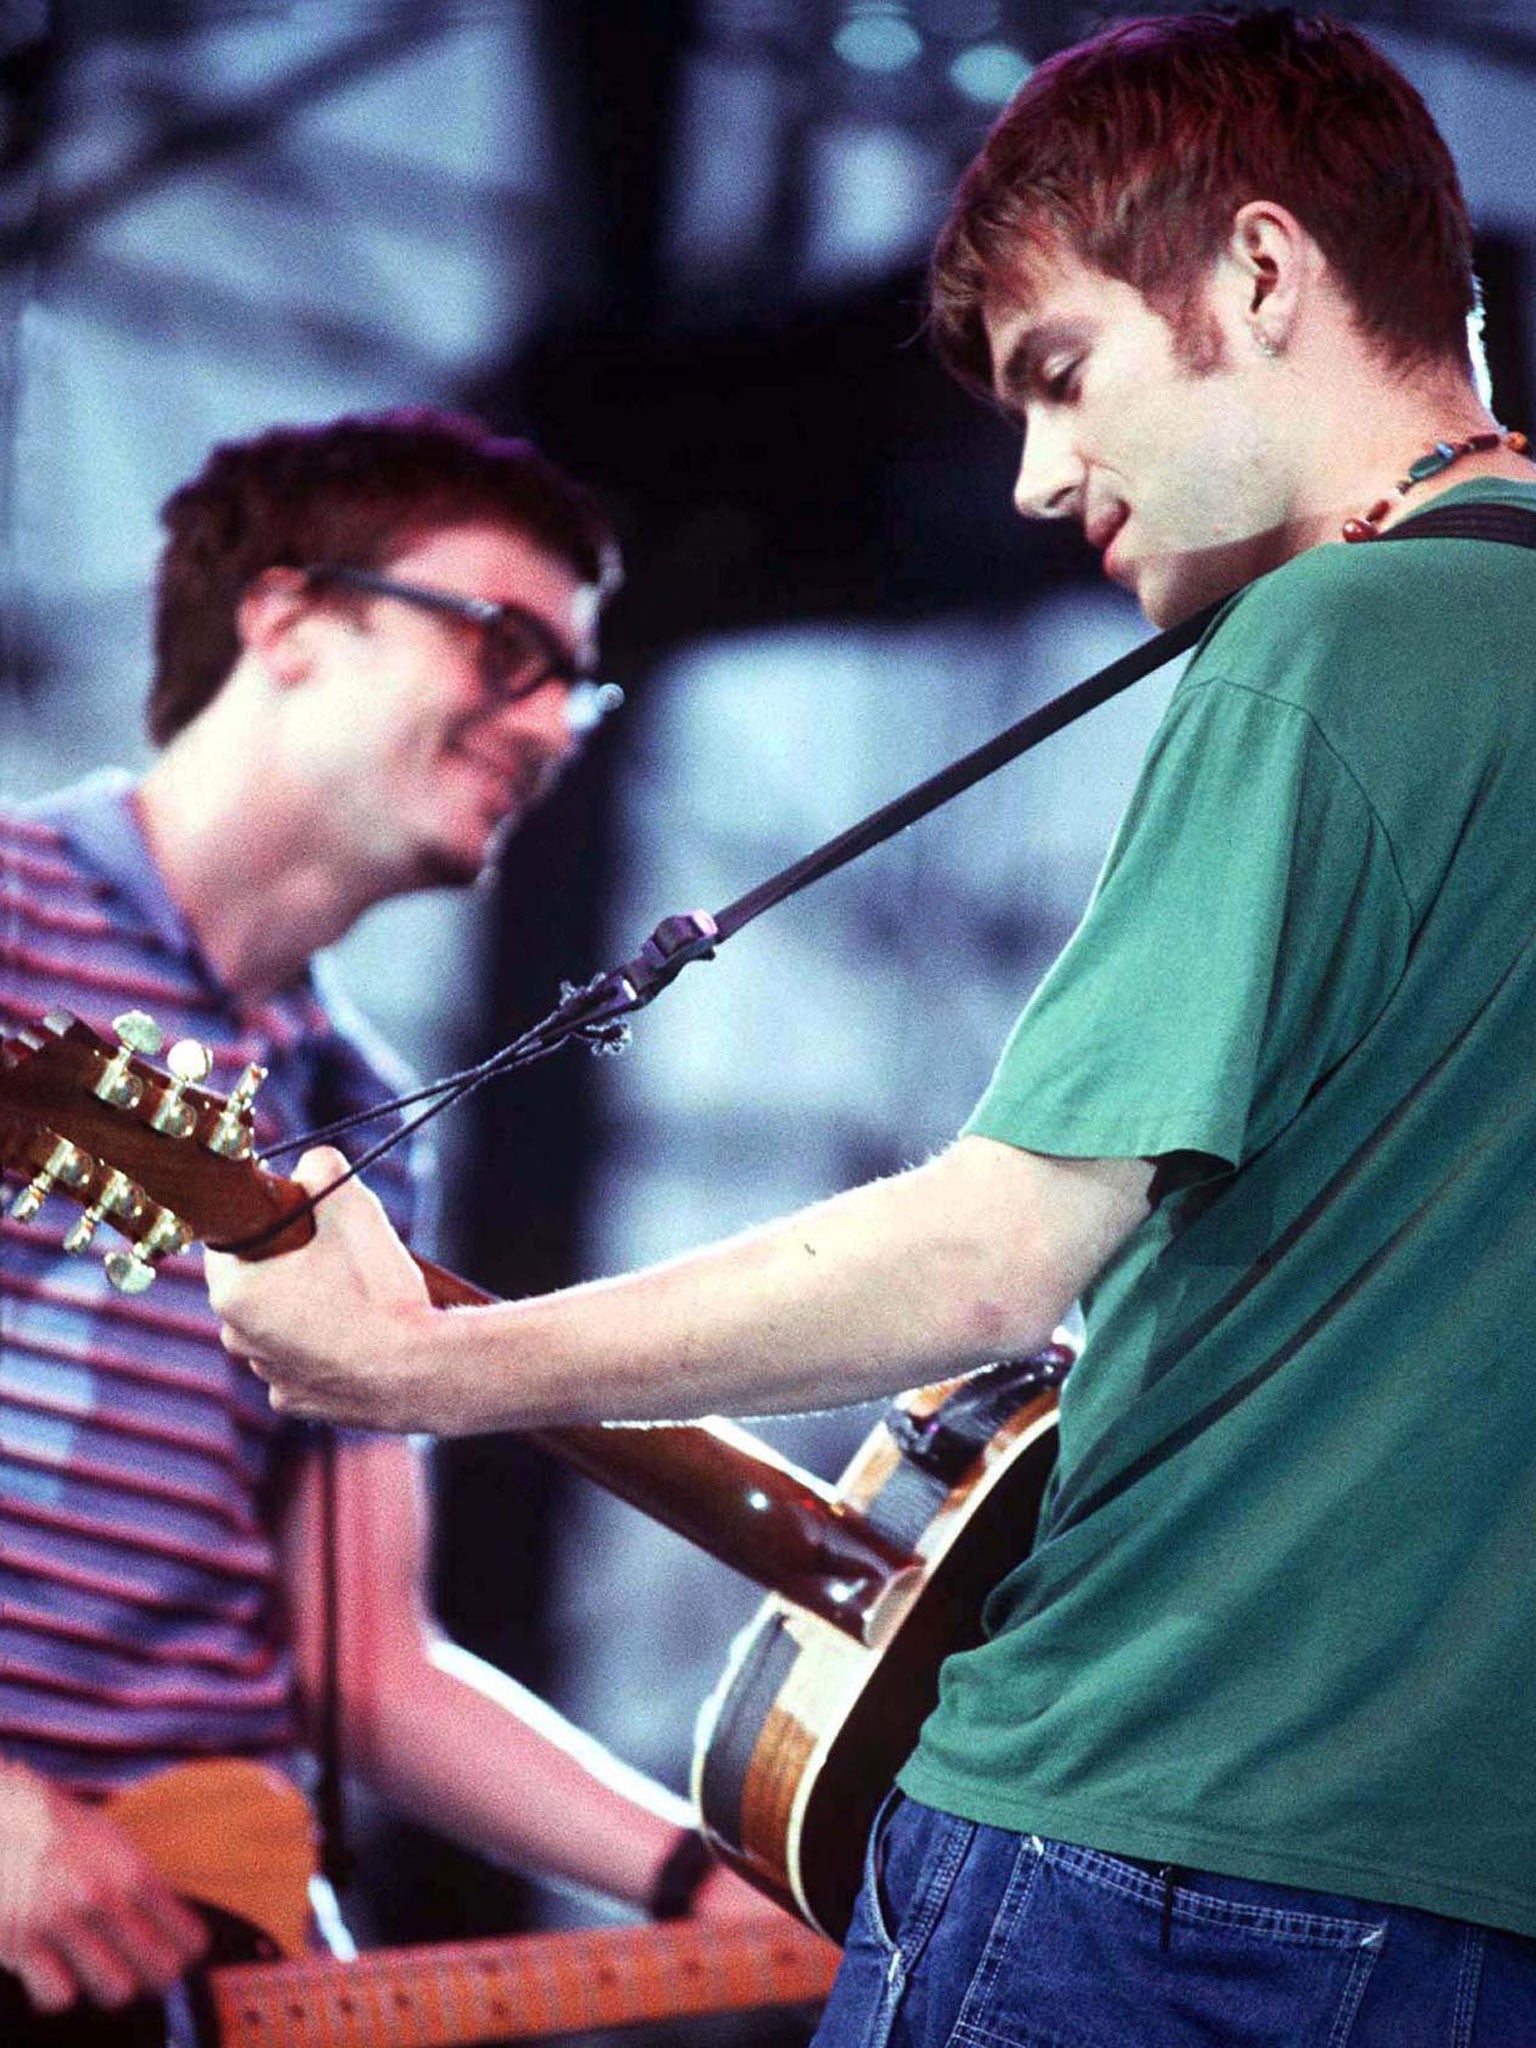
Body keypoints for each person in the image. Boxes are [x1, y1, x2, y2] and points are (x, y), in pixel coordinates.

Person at [208, 14, 1536, 2044]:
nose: (1036, 476)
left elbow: (997, 1249)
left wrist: (421, 1365)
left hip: (1151, 1866)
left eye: (1062, 376)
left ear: (1263, 278)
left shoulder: (1330, 640)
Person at [0, 409, 772, 2035]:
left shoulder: (358, 1111)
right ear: (286, 620)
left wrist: (743, 1889)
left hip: (193, 1938)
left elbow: (374, 1669)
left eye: (582, 681)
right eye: (508, 644)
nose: (557, 721)